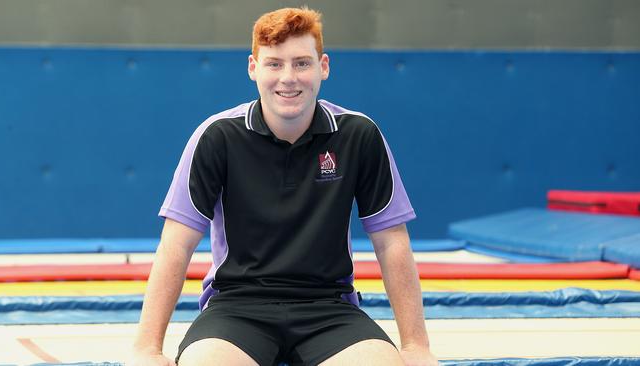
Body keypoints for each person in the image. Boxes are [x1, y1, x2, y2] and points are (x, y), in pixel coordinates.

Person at [129, 7, 437, 366]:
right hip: (236, 307)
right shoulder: (217, 137)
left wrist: (416, 346)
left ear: (323, 67)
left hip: (329, 307)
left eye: (301, 63)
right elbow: (175, 246)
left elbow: (392, 241)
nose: (288, 78)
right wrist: (146, 349)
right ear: (253, 68)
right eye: (274, 63)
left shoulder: (358, 135)